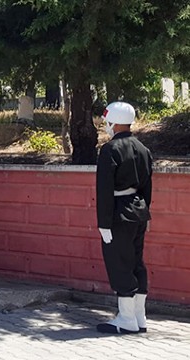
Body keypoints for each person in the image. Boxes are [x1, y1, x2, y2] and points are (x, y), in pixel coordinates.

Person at [95, 101, 153, 334]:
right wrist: (145, 212)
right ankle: (140, 316)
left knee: (120, 263)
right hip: (138, 211)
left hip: (118, 212)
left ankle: (127, 318)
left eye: (108, 122)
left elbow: (105, 189)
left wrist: (104, 223)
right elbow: (147, 186)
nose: (106, 126)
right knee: (137, 262)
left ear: (115, 122)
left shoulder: (110, 150)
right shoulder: (142, 148)